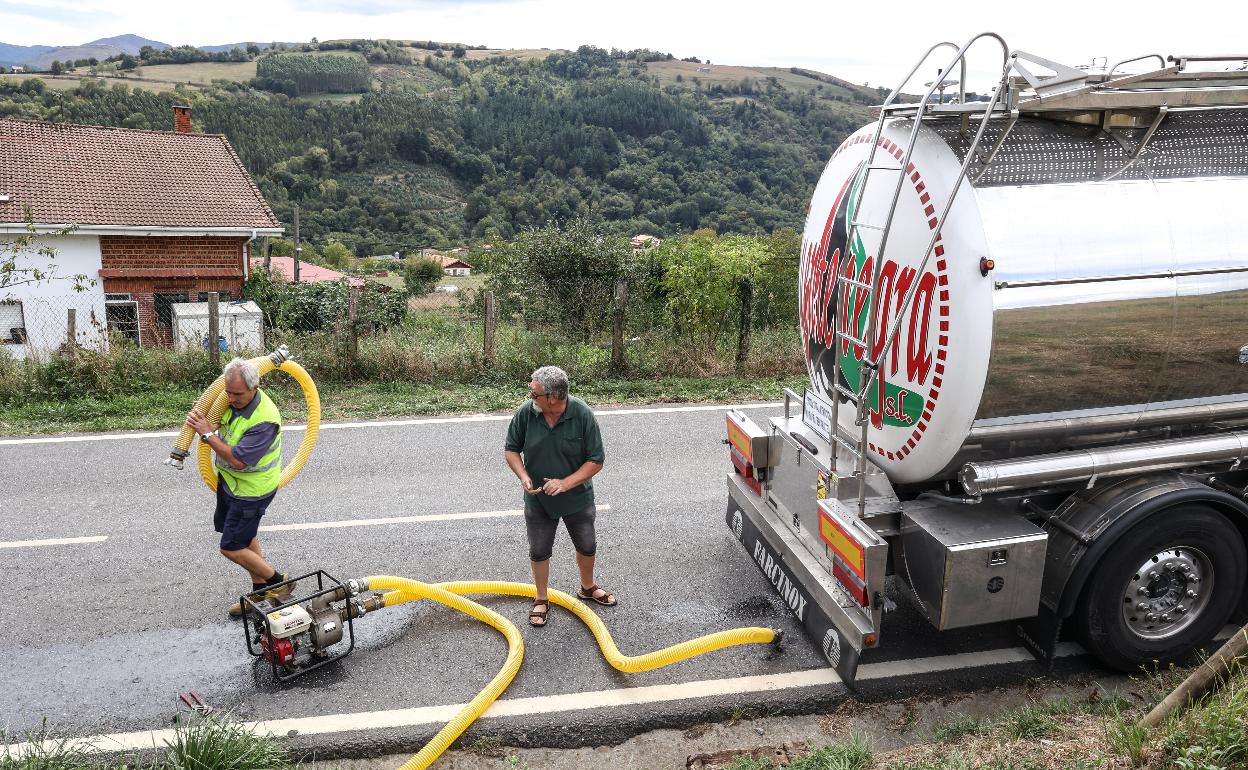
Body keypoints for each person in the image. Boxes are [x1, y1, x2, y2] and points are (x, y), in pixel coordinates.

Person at [504, 365, 616, 627]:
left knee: (587, 545)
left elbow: (596, 460)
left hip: (577, 498)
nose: (530, 397)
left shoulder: (582, 414)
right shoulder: (526, 413)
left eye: (535, 393)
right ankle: (541, 598)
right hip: (538, 499)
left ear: (553, 397)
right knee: (539, 549)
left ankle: (587, 588)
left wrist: (565, 483)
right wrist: (523, 476)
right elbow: (511, 450)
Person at [185, 357, 291, 617]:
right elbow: (217, 416)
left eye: (237, 394)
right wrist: (205, 418)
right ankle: (260, 593)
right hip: (230, 484)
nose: (230, 398)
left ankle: (278, 582)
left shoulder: (264, 419)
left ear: (255, 388)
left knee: (231, 546)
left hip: (250, 491)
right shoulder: (231, 400)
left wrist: (208, 434)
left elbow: (240, 460)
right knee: (246, 537)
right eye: (228, 392)